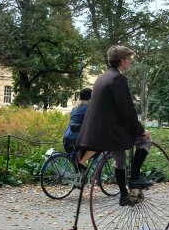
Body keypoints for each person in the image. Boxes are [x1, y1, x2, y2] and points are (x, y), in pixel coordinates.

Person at [76, 45, 152, 206]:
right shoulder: (118, 78)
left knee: (120, 157)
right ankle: (135, 178)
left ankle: (124, 195)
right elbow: (126, 109)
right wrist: (140, 130)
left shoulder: (102, 78)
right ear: (122, 60)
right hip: (111, 131)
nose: (130, 62)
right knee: (145, 140)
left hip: (98, 131)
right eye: (129, 59)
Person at [63, 88, 92, 154]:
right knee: (98, 147)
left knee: (77, 160)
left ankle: (80, 163)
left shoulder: (75, 108)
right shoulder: (87, 109)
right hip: (77, 138)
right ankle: (82, 163)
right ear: (90, 98)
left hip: (67, 137)